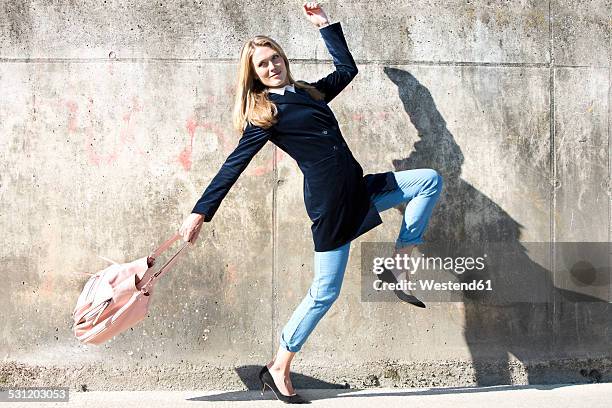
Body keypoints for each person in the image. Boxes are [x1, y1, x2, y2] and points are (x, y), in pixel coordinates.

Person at [179, 1, 442, 403]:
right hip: (331, 205)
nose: (271, 67)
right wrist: (201, 212)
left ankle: (402, 259)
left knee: (427, 180)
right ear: (254, 76)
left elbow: (346, 71)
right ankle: (279, 365)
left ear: (285, 59)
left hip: (359, 187)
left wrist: (325, 26)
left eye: (275, 59)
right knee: (324, 292)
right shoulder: (265, 115)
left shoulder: (309, 93)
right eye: (262, 65)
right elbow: (232, 166)